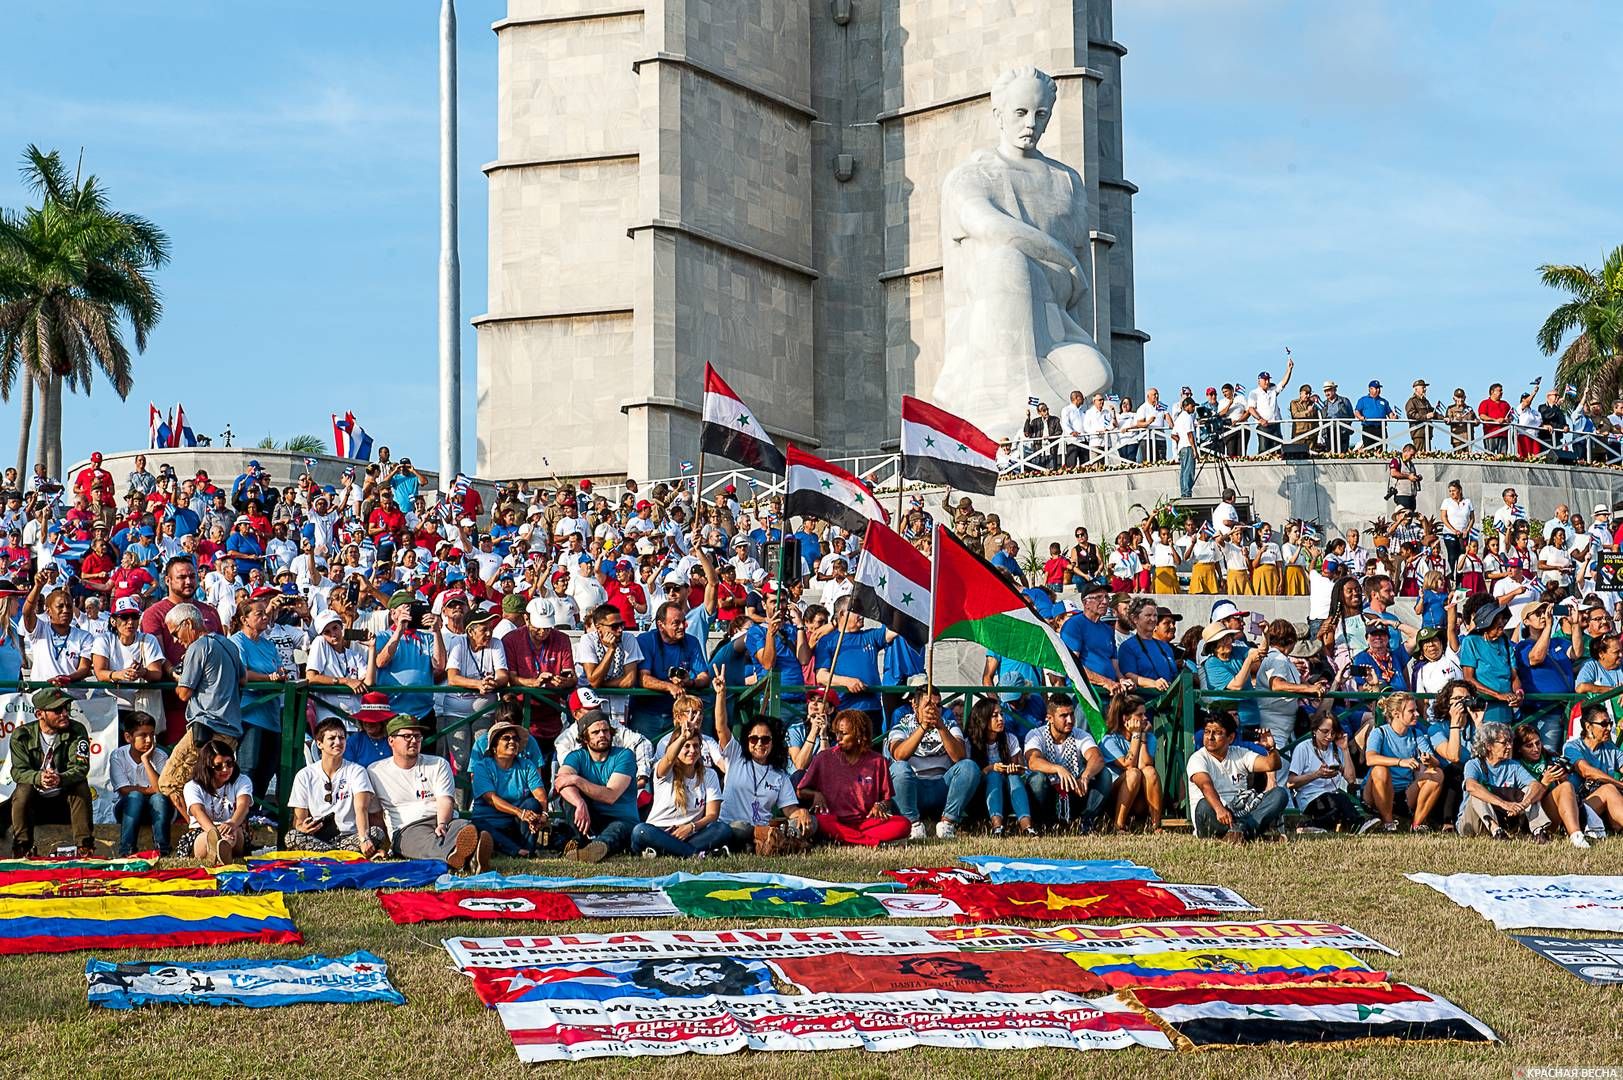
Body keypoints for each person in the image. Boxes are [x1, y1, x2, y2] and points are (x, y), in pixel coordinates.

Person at [366, 715, 492, 871]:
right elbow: (376, 814)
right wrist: (384, 845)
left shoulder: (438, 763)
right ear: (391, 740)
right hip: (407, 827)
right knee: (424, 843)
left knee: (463, 826)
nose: (413, 740)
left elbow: (445, 800)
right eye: (407, 736)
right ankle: (465, 855)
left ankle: (464, 857)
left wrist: (442, 824)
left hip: (444, 819)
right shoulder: (375, 771)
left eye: (417, 736)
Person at [156, 603, 247, 810]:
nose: (177, 641)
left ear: (188, 623)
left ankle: (200, 833)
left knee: (169, 783)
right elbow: (243, 680)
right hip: (230, 730)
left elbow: (184, 693)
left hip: (206, 729)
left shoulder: (198, 647)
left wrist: (182, 676)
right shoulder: (229, 644)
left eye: (176, 633)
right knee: (210, 787)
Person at [713, 686, 815, 853]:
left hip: (766, 826)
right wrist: (720, 694)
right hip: (734, 827)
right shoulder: (736, 755)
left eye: (765, 739)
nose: (759, 743)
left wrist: (802, 813)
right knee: (741, 827)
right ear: (747, 741)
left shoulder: (779, 775)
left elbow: (789, 810)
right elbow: (721, 728)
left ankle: (767, 841)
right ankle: (770, 839)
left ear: (773, 742)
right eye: (754, 739)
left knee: (811, 822)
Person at [1460, 722, 1586, 847]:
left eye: (1510, 742)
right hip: (1473, 823)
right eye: (1504, 743)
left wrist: (1524, 803)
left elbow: (1535, 785)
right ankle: (1496, 831)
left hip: (1503, 820)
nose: (1509, 746)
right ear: (1488, 745)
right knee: (1478, 793)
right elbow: (1471, 786)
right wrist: (1504, 804)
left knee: (1530, 790)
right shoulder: (1474, 764)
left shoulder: (1513, 766)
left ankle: (1539, 831)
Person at [797, 708, 910, 847]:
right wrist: (816, 794)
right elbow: (800, 791)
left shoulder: (878, 761)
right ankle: (871, 842)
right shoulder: (824, 757)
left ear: (859, 735)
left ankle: (846, 839)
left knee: (903, 825)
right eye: (837, 733)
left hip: (866, 822)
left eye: (843, 734)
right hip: (834, 821)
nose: (838, 738)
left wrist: (879, 805)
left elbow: (887, 800)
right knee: (822, 821)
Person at [7, 687, 94, 858]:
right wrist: (39, 778)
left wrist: (60, 778)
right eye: (57, 710)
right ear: (40, 714)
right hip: (36, 800)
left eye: (66, 708)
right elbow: (18, 771)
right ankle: (22, 848)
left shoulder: (77, 730)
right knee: (22, 790)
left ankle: (85, 847)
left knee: (81, 786)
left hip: (64, 798)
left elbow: (81, 768)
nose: (64, 714)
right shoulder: (21, 735)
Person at [887, 687, 980, 840]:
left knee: (969, 767)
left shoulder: (949, 725)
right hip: (914, 787)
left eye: (938, 705)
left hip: (942, 785)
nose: (934, 710)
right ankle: (913, 824)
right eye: (928, 705)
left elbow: (959, 756)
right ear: (915, 706)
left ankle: (947, 823)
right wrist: (923, 727)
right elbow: (899, 754)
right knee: (899, 768)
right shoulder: (902, 725)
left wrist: (941, 727)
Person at [285, 717, 386, 855]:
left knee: (376, 833)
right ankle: (336, 854)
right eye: (332, 738)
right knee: (291, 837)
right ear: (319, 743)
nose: (338, 742)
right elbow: (299, 821)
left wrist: (363, 838)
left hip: (350, 836)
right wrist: (304, 828)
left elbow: (361, 808)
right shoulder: (304, 775)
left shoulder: (356, 770)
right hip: (318, 837)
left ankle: (329, 855)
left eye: (342, 738)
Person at [552, 709, 641, 861]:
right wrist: (579, 802)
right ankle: (579, 843)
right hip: (592, 817)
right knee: (569, 796)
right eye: (596, 732)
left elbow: (610, 795)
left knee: (616, 830)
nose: (602, 735)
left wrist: (577, 780)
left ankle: (594, 850)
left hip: (622, 820)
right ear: (585, 738)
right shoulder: (577, 756)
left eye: (606, 731)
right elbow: (560, 782)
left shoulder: (624, 755)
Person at [1185, 711, 1285, 842]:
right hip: (1215, 816)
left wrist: (1271, 749)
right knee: (1204, 805)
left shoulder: (1239, 753)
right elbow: (1205, 785)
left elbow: (1271, 765)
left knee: (1279, 794)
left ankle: (1238, 833)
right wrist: (1219, 809)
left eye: (1217, 733)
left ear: (1230, 738)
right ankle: (1249, 834)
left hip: (1241, 815)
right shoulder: (1197, 758)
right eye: (1207, 732)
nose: (1210, 737)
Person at [631, 733, 732, 858]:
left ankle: (668, 851)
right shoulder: (665, 770)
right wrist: (683, 737)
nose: (692, 751)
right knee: (640, 831)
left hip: (691, 832)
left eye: (696, 746)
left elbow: (712, 815)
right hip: (660, 832)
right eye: (686, 746)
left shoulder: (709, 774)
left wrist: (691, 827)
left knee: (723, 829)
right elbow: (668, 759)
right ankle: (696, 854)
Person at [1363, 693, 1446, 832]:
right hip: (1376, 792)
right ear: (1396, 714)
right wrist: (1400, 762)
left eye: (1416, 710)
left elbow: (1434, 762)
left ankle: (1417, 825)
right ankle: (1388, 824)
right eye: (1411, 711)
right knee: (1379, 769)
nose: (1417, 714)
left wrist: (1429, 760)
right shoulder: (1379, 733)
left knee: (1437, 773)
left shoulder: (1416, 733)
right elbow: (1370, 759)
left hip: (1405, 793)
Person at [1024, 693, 1106, 830]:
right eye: (1063, 716)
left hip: (1075, 789)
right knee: (1037, 779)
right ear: (1049, 718)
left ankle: (1086, 821)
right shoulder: (1036, 734)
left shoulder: (1080, 734)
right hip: (1048, 793)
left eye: (1072, 714)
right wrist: (1058, 769)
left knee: (1104, 775)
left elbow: (1097, 758)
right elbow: (1033, 761)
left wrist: (1086, 775)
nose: (1070, 720)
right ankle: (1045, 824)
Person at [470, 715, 550, 856]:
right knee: (479, 827)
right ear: (494, 747)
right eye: (506, 738)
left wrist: (543, 814)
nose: (512, 741)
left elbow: (540, 794)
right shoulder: (481, 767)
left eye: (515, 739)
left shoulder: (527, 765)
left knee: (533, 803)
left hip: (515, 824)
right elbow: (491, 799)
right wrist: (520, 812)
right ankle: (516, 851)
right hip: (489, 821)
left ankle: (524, 849)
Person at [962, 697, 1034, 837]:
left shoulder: (1009, 739)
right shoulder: (969, 743)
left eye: (1001, 714)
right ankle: (997, 827)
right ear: (982, 718)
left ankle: (1027, 827)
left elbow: (1019, 768)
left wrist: (1014, 769)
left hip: (1007, 795)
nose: (1001, 719)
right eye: (994, 715)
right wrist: (990, 768)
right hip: (980, 797)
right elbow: (969, 777)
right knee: (994, 775)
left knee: (1013, 776)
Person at [1287, 711, 1368, 832]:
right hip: (1310, 798)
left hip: (1332, 797)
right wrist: (1317, 774)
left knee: (1336, 806)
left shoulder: (1336, 748)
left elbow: (1351, 779)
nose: (1329, 736)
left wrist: (1345, 749)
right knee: (1340, 800)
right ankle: (1357, 824)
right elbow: (1291, 782)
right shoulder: (1303, 748)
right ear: (1315, 730)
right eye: (1325, 732)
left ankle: (1310, 826)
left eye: (1333, 733)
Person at [180, 739, 254, 866]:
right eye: (218, 766)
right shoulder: (192, 786)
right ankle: (220, 851)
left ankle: (219, 853)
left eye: (229, 763)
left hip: (232, 828)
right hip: (203, 831)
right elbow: (198, 812)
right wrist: (215, 833)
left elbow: (243, 805)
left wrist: (232, 823)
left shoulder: (242, 780)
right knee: (208, 839)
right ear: (207, 767)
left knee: (234, 834)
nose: (225, 769)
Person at [109, 710, 172, 856]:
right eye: (143, 735)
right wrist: (150, 789)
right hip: (127, 809)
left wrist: (146, 760)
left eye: (151, 734)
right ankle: (126, 850)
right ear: (128, 737)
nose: (149, 740)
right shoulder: (118, 756)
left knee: (158, 799)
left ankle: (162, 850)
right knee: (135, 797)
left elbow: (161, 791)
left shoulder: (160, 755)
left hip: (158, 809)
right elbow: (124, 790)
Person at [1099, 693, 1162, 832]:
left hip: (1139, 798)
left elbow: (1144, 765)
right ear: (1125, 718)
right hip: (1115, 798)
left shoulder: (1149, 738)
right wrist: (1136, 735)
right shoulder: (1109, 740)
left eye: (1145, 714)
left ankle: (1156, 825)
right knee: (1133, 773)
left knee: (1150, 771)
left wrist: (1142, 737)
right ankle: (1118, 825)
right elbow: (1129, 765)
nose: (1145, 718)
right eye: (1140, 715)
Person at [1458, 598, 1523, 727]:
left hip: (1506, 711)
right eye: (1496, 620)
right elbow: (1468, 678)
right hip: (1483, 711)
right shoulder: (1470, 641)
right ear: (1486, 624)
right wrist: (1497, 695)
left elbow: (1514, 676)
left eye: (1502, 619)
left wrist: (1519, 693)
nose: (1502, 623)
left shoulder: (1505, 641)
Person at [1564, 703, 1623, 834]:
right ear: (1588, 726)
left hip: (1606, 806)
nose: (1608, 728)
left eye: (1610, 723)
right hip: (1579, 809)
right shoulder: (1572, 747)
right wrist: (1619, 784)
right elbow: (1587, 772)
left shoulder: (1610, 748)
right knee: (1609, 789)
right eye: (1603, 724)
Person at [1355, 380, 1395, 450]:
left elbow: (1390, 413)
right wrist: (1360, 417)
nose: (1378, 390)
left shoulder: (1384, 401)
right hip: (1368, 427)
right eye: (1376, 388)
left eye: (1379, 388)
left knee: (1382, 449)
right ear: (1370, 389)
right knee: (1369, 449)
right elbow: (1357, 411)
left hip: (1381, 428)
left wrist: (1394, 417)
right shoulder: (1363, 400)